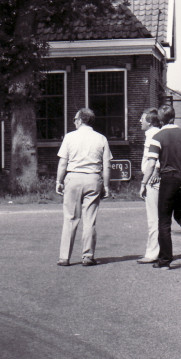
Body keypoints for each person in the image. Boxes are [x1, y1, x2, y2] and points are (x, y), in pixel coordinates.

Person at [143, 104, 181, 269]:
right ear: (174, 117)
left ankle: (164, 261)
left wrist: (144, 183)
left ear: (160, 119)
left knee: (164, 221)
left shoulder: (158, 137)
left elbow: (150, 163)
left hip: (168, 180)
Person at [55, 107, 112, 266]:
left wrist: (59, 181)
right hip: (93, 178)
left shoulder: (69, 137)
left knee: (70, 218)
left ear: (80, 120)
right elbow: (106, 165)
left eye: (75, 119)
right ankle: (87, 256)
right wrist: (106, 186)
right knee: (89, 219)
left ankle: (64, 257)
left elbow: (63, 162)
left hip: (73, 177)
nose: (74, 122)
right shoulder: (101, 138)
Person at [136, 108, 162, 264]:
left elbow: (155, 160)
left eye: (142, 118)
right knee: (158, 217)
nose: (140, 121)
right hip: (155, 178)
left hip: (153, 179)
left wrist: (146, 181)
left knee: (154, 218)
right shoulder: (153, 134)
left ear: (150, 121)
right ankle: (158, 250)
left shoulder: (153, 135)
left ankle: (153, 253)